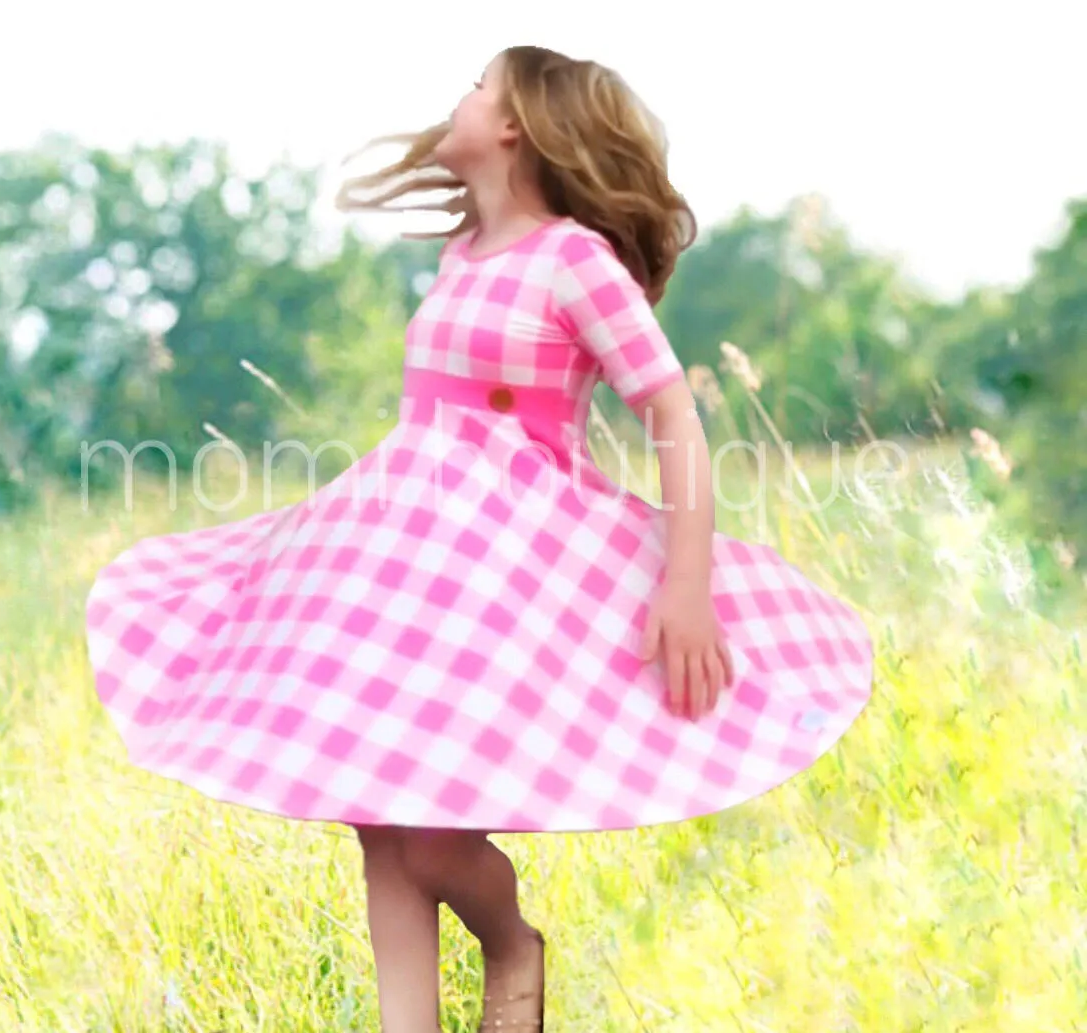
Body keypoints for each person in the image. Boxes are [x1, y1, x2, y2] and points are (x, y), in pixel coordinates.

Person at [86, 44, 874, 1033]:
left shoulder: (575, 260)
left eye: (476, 88)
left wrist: (685, 582)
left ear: (514, 125)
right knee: (379, 816)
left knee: (434, 841)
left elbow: (671, 410)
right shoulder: (460, 258)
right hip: (402, 551)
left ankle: (512, 946)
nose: (456, 101)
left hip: (509, 563)